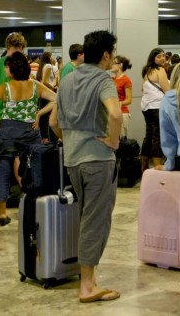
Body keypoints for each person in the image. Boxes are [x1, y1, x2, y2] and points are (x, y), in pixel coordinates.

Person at [50, 30, 122, 303]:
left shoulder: (68, 79)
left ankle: (88, 279)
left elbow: (54, 123)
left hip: (73, 161)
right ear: (105, 55)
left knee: (86, 217)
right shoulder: (103, 78)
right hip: (98, 160)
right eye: (112, 54)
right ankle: (88, 286)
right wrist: (113, 141)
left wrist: (70, 142)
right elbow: (115, 113)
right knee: (96, 221)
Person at [0, 52, 56, 226]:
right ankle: (35, 207)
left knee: (3, 173)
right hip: (29, 131)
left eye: (7, 66)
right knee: (34, 170)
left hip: (6, 131)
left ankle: (1, 214)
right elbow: (56, 99)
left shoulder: (5, 88)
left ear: (13, 68)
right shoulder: (35, 86)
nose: (5, 69)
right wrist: (39, 114)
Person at [0, 32, 27, 124]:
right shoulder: (21, 65)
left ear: (7, 46)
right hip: (20, 116)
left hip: (0, 115)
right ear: (21, 46)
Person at [140, 48, 169, 173]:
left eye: (163, 56)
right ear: (153, 58)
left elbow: (142, 88)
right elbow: (167, 89)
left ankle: (144, 167)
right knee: (158, 136)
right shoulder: (160, 70)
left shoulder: (147, 71)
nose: (162, 58)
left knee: (149, 135)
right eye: (159, 56)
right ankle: (158, 168)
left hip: (146, 107)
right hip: (157, 107)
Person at [36, 52, 57, 142]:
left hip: (43, 95)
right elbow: (45, 81)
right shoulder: (48, 66)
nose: (53, 58)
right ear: (49, 57)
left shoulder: (42, 67)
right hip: (48, 95)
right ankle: (47, 138)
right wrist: (53, 89)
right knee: (48, 117)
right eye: (52, 56)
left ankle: (44, 138)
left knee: (44, 117)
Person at [112, 55, 133, 139]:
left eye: (114, 63)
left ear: (120, 65)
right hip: (113, 112)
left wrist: (120, 102)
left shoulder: (126, 80)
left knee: (121, 139)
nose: (112, 65)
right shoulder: (111, 79)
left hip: (122, 112)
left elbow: (129, 100)